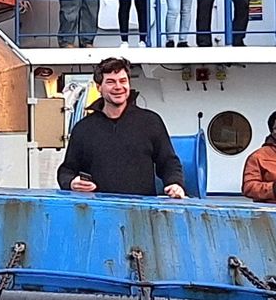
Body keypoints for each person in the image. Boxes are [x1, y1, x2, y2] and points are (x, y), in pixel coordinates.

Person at [58, 57, 186, 198]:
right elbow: (66, 170)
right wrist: (71, 182)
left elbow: (168, 162)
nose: (118, 87)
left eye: (123, 81)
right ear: (99, 87)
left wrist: (175, 183)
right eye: (111, 82)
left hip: (140, 213)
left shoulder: (151, 122)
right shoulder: (83, 128)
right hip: (98, 213)